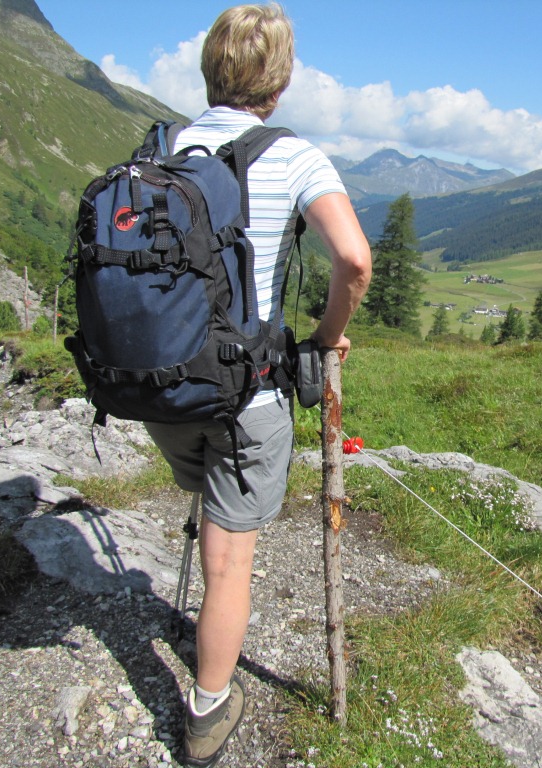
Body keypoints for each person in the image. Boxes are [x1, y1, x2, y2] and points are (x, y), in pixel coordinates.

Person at [141, 5, 371, 766]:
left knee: (204, 496)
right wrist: (328, 336)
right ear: (280, 80)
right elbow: (354, 260)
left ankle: (199, 630)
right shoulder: (296, 156)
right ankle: (208, 710)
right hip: (249, 396)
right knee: (229, 561)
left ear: (210, 67)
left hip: (163, 390)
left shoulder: (162, 148)